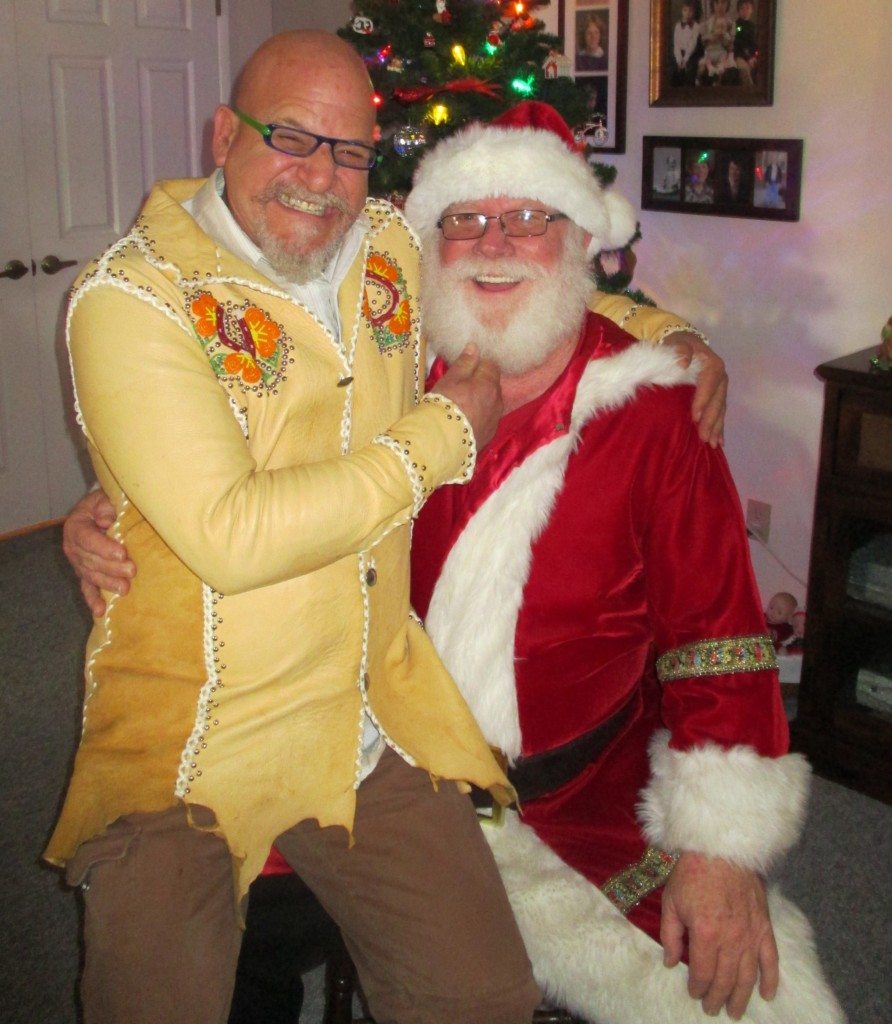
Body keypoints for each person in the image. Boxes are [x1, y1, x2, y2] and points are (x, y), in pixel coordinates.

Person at [65, 99, 843, 1024]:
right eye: (465, 219)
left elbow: (719, 641)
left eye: (530, 217)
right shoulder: (391, 356)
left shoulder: (653, 414)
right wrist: (126, 506)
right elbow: (248, 467)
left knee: (746, 998)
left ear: (581, 239)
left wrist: (720, 851)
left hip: (578, 797)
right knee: (218, 957)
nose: (494, 243)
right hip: (369, 744)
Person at [44, 30, 545, 1024]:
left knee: (486, 995)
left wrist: (676, 336)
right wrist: (444, 433)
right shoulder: (133, 295)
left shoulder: (392, 245)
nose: (320, 178)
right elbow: (229, 535)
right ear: (223, 136)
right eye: (291, 138)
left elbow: (535, 284)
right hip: (189, 731)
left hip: (365, 702)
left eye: (351, 151)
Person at [673, 2, 702, 86]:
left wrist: (685, 59)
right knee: (674, 70)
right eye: (685, 10)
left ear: (693, 13)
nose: (687, 13)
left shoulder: (696, 26)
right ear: (682, 11)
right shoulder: (677, 26)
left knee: (690, 70)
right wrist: (679, 60)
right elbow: (676, 44)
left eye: (690, 11)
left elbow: (692, 44)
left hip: (691, 54)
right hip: (679, 54)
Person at [734, 0, 758, 89]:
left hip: (752, 55)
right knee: (744, 69)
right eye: (742, 8)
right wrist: (748, 57)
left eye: (748, 8)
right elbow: (739, 41)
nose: (745, 11)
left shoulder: (753, 26)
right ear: (738, 10)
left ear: (752, 10)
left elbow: (755, 44)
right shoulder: (737, 26)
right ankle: (751, 91)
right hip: (739, 55)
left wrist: (754, 56)